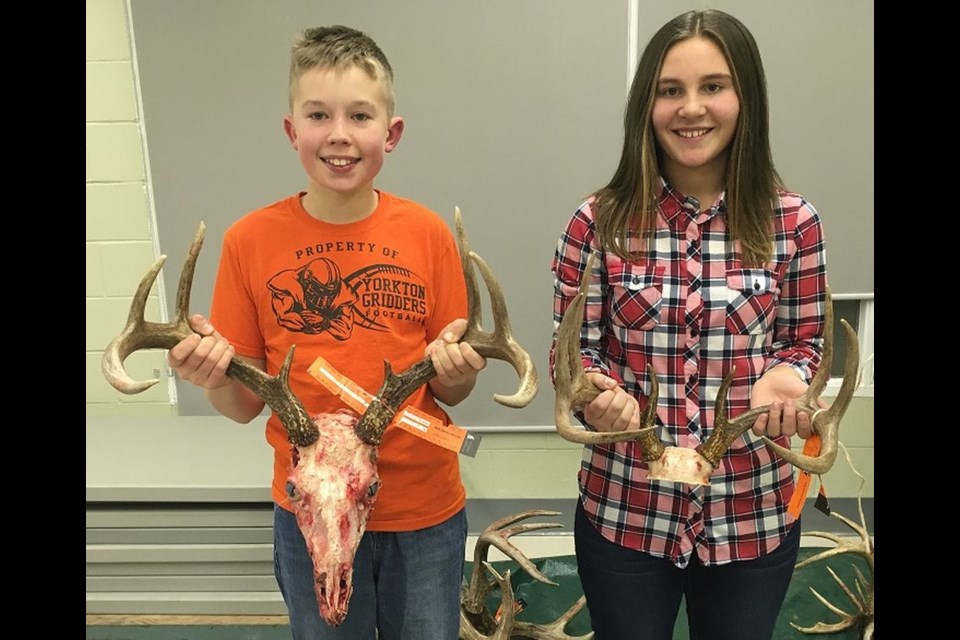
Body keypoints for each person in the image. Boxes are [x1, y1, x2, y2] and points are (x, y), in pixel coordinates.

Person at [167, 25, 486, 639]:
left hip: (419, 512)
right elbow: (239, 406)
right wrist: (210, 376)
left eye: (359, 115)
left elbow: (451, 394)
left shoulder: (427, 235)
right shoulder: (249, 242)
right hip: (309, 510)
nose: (339, 134)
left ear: (389, 133)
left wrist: (461, 370)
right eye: (318, 114)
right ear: (292, 131)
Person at [549, 9, 827, 640]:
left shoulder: (795, 223)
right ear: (646, 104)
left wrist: (789, 377)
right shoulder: (596, 223)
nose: (690, 108)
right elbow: (572, 357)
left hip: (751, 511)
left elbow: (807, 341)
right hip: (627, 510)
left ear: (745, 98)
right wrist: (598, 397)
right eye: (670, 90)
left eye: (713, 87)